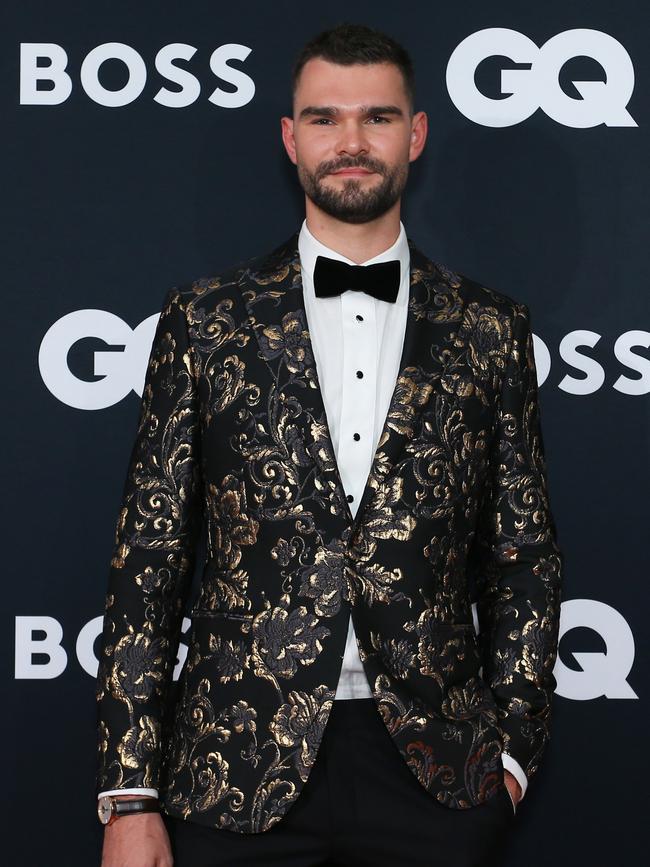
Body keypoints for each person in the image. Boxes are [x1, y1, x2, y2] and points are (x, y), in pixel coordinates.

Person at [95, 22, 563, 867]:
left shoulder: (491, 328)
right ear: (291, 138)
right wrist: (129, 792)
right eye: (325, 119)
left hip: (440, 777)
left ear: (415, 135)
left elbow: (523, 552)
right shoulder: (206, 321)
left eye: (377, 118)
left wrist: (513, 748)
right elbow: (149, 561)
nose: (351, 142)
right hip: (234, 765)